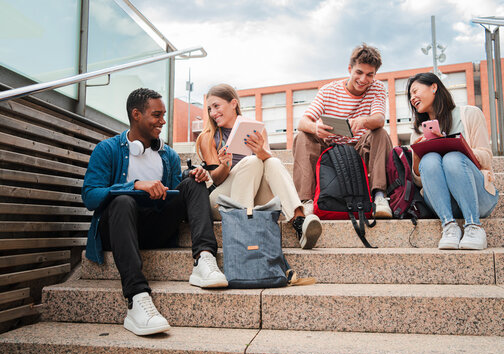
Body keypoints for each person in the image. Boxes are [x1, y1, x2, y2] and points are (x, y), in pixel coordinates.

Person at [82, 88, 228, 336]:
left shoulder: (167, 154)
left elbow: (173, 191)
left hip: (155, 229)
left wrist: (194, 175)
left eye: (164, 115)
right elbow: (90, 196)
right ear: (136, 114)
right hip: (117, 231)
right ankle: (137, 297)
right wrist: (134, 185)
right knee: (122, 201)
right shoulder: (107, 150)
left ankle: (204, 259)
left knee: (193, 183)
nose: (162, 121)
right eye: (156, 115)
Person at [195, 84, 322, 249]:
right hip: (222, 201)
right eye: (210, 109)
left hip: (254, 196)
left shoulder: (256, 129)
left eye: (216, 106)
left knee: (272, 161)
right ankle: (243, 229)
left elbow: (269, 165)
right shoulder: (209, 136)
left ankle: (299, 222)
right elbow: (216, 179)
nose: (213, 113)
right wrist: (226, 165)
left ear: (233, 103)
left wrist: (260, 151)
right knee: (252, 161)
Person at [293, 43, 393, 218]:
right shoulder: (328, 91)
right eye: (359, 72)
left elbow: (379, 119)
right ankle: (306, 202)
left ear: (375, 75)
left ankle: (379, 197)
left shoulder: (377, 88)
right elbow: (303, 122)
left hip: (360, 148)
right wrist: (316, 128)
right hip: (331, 149)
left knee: (380, 132)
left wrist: (363, 121)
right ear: (350, 69)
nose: (363, 80)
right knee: (302, 136)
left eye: (370, 75)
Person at [407, 72, 499, 250]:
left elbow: (487, 157)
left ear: (434, 87)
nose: (412, 98)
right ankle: (449, 226)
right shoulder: (419, 131)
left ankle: (474, 226)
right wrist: (418, 157)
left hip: (478, 197)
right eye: (410, 95)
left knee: (452, 158)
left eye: (415, 91)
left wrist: (459, 148)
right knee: (430, 160)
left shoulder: (470, 114)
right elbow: (419, 180)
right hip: (444, 204)